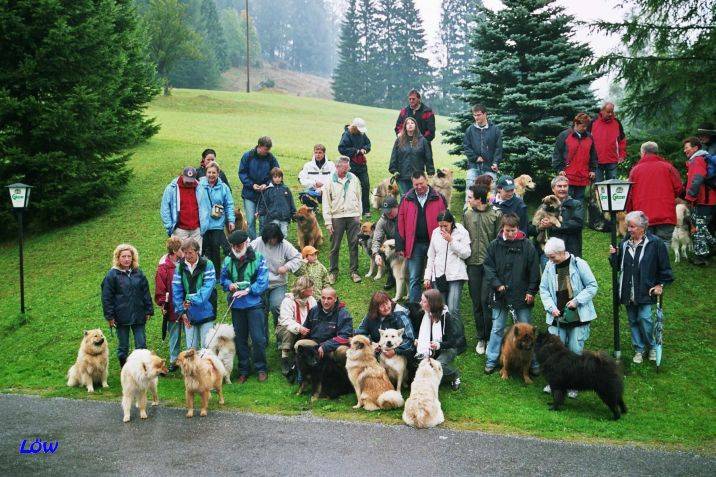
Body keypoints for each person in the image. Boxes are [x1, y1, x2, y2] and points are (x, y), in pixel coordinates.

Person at [609, 211, 673, 364]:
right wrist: (613, 256)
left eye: (632, 227)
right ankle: (639, 349)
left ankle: (651, 346)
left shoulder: (655, 243)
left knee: (645, 318)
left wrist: (660, 284)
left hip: (645, 289)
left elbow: (665, 268)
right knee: (632, 320)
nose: (629, 230)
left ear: (643, 227)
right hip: (627, 289)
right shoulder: (624, 243)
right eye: (628, 226)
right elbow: (617, 267)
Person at [539, 237, 598, 398]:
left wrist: (577, 301)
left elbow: (593, 286)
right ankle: (554, 383)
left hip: (578, 318)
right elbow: (543, 289)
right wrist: (551, 308)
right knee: (554, 353)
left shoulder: (580, 264)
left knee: (574, 352)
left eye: (552, 257)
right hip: (557, 318)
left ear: (561, 252)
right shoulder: (550, 266)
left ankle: (574, 385)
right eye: (549, 257)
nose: (550, 260)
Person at [483, 213, 540, 375]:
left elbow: (534, 271)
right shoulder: (494, 245)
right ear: (503, 228)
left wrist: (531, 291)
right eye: (507, 230)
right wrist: (497, 285)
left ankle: (533, 363)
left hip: (522, 296)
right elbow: (488, 267)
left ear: (518, 228)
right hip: (500, 296)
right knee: (497, 328)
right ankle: (492, 360)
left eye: (513, 230)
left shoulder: (528, 246)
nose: (510, 233)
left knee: (528, 332)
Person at [221, 230, 270, 383]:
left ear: (246, 243)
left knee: (258, 338)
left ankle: (261, 368)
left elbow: (263, 281)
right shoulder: (228, 261)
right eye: (234, 246)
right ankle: (243, 370)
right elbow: (223, 279)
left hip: (254, 304)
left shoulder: (259, 258)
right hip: (236, 305)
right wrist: (230, 286)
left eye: (239, 245)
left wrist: (248, 290)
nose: (236, 248)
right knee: (240, 339)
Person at [423, 210, 469, 354]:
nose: (442, 229)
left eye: (445, 226)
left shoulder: (461, 232)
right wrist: (427, 276)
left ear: (452, 223)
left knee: (453, 309)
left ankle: (460, 341)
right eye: (440, 226)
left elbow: (467, 253)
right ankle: (445, 340)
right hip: (439, 275)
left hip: (456, 274)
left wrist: (451, 241)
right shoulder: (436, 233)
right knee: (442, 309)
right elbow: (431, 255)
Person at [397, 171, 447, 302]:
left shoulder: (439, 197)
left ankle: (436, 305)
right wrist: (400, 244)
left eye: (421, 183)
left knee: (435, 276)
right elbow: (400, 222)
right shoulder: (406, 198)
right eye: (415, 184)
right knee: (414, 277)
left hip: (434, 243)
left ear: (427, 181)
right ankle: (414, 308)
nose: (419, 187)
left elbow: (445, 220)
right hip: (415, 244)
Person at [464, 184, 502, 355]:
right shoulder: (467, 214)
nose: (468, 200)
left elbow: (499, 242)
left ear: (479, 199)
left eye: (470, 197)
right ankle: (481, 337)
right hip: (472, 264)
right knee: (476, 303)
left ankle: (490, 337)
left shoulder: (496, 214)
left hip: (489, 266)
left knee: (487, 302)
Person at [101, 244, 153, 368]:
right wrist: (110, 317)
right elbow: (106, 297)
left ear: (133, 258)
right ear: (118, 258)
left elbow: (145, 292)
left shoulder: (138, 273)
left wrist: (148, 310)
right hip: (121, 317)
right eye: (123, 256)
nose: (126, 259)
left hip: (139, 315)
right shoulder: (112, 275)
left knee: (141, 345)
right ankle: (125, 371)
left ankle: (142, 369)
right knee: (123, 347)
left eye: (129, 256)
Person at [250, 223, 303, 340]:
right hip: (260, 284)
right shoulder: (257, 243)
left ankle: (281, 338)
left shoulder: (284, 245)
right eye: (269, 239)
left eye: (274, 238)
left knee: (278, 307)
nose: (272, 241)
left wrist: (287, 267)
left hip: (278, 283)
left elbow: (298, 258)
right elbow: (247, 254)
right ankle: (263, 339)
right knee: (261, 311)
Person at [626, 142, 683, 246]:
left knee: (645, 245)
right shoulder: (668, 167)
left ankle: (648, 262)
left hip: (643, 216)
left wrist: (630, 214)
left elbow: (629, 195)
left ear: (643, 153)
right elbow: (679, 188)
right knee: (664, 243)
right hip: (666, 213)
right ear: (656, 152)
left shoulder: (635, 170)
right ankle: (661, 262)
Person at [322, 156, 362, 284]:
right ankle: (333, 272)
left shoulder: (354, 178)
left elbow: (359, 197)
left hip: (353, 216)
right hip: (336, 217)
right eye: (344, 169)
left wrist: (359, 216)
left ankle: (354, 271)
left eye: (348, 169)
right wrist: (328, 222)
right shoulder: (329, 182)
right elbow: (326, 203)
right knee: (334, 246)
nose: (346, 172)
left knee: (353, 244)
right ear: (337, 167)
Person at [172, 239, 216, 351]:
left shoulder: (208, 264)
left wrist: (189, 299)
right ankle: (193, 369)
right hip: (188, 313)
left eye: (190, 252)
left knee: (207, 348)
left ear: (197, 251)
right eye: (185, 253)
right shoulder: (179, 267)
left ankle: (207, 369)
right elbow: (176, 290)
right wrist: (181, 311)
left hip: (206, 311)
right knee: (191, 349)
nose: (187, 256)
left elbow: (207, 289)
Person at [414, 289, 461, 390]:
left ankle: (454, 374)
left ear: (432, 303)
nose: (420, 303)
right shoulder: (422, 314)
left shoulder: (446, 317)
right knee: (418, 366)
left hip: (447, 348)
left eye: (424, 301)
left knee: (437, 366)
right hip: (428, 349)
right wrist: (417, 339)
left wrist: (439, 345)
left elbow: (453, 342)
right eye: (421, 300)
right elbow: (417, 332)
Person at [294, 287, 352, 364]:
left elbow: (345, 337)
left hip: (334, 348)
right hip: (315, 345)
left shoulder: (343, 314)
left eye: (329, 299)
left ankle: (343, 372)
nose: (325, 301)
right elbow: (306, 330)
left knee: (344, 352)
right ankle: (303, 372)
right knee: (299, 345)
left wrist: (325, 346)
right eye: (323, 298)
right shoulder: (314, 310)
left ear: (335, 299)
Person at [533, 175, 585, 259]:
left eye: (565, 186)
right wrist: (541, 226)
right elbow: (533, 226)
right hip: (548, 252)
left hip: (569, 250)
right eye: (559, 186)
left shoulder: (576, 204)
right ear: (553, 189)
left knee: (565, 272)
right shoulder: (544, 206)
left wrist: (552, 226)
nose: (562, 189)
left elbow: (578, 224)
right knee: (549, 272)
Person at [276, 276, 317, 380]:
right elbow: (286, 320)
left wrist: (308, 327)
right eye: (310, 287)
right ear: (302, 289)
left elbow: (315, 316)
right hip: (286, 327)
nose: (313, 289)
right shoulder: (288, 301)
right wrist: (299, 328)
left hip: (305, 327)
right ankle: (284, 357)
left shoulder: (311, 300)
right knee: (288, 332)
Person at [239, 136, 280, 240]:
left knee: (263, 220)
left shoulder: (271, 158)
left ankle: (262, 241)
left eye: (268, 150)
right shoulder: (247, 156)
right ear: (259, 146)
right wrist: (252, 185)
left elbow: (276, 174)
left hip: (264, 194)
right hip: (249, 193)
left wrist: (266, 184)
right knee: (251, 219)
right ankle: (253, 242)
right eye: (266, 149)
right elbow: (242, 173)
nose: (267, 152)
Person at [199, 161, 235, 276]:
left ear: (218, 173)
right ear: (206, 173)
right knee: (202, 248)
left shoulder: (224, 187)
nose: (211, 175)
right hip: (203, 223)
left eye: (214, 172)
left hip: (217, 223)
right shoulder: (199, 185)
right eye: (209, 172)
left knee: (215, 248)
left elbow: (229, 204)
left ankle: (217, 274)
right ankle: (200, 272)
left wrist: (231, 220)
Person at [683, 137, 716, 265]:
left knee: (699, 228)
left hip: (703, 200)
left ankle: (701, 258)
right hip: (710, 199)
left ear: (695, 148)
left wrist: (690, 196)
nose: (684, 150)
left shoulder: (697, 160)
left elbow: (697, 178)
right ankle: (709, 250)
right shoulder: (704, 158)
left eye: (687, 147)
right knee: (705, 227)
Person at [354, 291, 416, 358]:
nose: (386, 307)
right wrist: (371, 343)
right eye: (382, 306)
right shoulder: (370, 316)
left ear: (390, 301)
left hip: (398, 356)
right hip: (377, 353)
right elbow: (360, 333)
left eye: (387, 303)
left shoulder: (400, 316)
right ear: (375, 308)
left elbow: (410, 340)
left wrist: (395, 351)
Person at [154, 238, 184, 372]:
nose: (184, 252)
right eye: (181, 249)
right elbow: (160, 287)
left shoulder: (185, 262)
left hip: (186, 303)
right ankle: (173, 360)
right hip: (172, 305)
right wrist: (162, 304)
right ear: (174, 251)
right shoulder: (163, 267)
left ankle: (187, 360)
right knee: (174, 333)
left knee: (188, 332)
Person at [552, 112, 597, 201]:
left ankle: (578, 216)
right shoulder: (564, 135)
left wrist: (592, 170)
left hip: (583, 176)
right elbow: (557, 154)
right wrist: (560, 169)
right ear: (576, 123)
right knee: (566, 201)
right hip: (567, 175)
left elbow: (593, 156)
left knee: (579, 203)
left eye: (586, 126)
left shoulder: (590, 137)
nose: (585, 128)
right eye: (583, 126)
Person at [160, 166, 207, 250]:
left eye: (191, 180)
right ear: (182, 175)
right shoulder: (171, 188)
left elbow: (205, 207)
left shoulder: (199, 188)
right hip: (180, 230)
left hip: (196, 230)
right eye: (187, 180)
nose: (189, 183)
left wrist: (203, 226)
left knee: (196, 255)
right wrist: (170, 226)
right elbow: (165, 208)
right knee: (180, 256)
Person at [462, 104, 503, 191]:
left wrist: (495, 163)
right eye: (474, 115)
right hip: (473, 166)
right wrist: (476, 158)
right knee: (470, 191)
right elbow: (466, 146)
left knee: (491, 194)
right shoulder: (470, 130)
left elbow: (498, 149)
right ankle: (468, 205)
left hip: (489, 167)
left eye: (479, 115)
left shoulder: (495, 130)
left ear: (485, 114)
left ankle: (492, 205)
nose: (476, 117)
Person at [389, 116, 434, 195]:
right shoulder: (399, 140)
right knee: (405, 198)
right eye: (407, 123)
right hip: (402, 175)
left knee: (417, 198)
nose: (410, 125)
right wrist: (393, 170)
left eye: (412, 123)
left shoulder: (423, 141)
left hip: (417, 176)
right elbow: (394, 156)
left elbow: (428, 157)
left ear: (415, 126)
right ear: (405, 127)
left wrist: (430, 171)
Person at [338, 118, 372, 217]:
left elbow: (368, 143)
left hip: (361, 165)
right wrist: (356, 151)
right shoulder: (346, 135)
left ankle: (366, 210)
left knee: (365, 185)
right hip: (350, 165)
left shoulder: (362, 134)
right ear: (354, 127)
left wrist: (365, 149)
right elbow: (341, 148)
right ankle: (348, 207)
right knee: (349, 186)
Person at [590, 102, 627, 181]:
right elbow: (587, 141)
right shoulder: (593, 122)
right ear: (602, 111)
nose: (610, 114)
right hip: (596, 161)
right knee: (598, 186)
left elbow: (622, 140)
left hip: (612, 160)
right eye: (608, 112)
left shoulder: (617, 123)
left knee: (612, 185)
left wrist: (622, 155)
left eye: (612, 112)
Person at [257, 167, 296, 237]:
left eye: (279, 177)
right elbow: (264, 203)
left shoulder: (286, 189)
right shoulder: (268, 190)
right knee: (274, 234)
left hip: (284, 217)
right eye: (275, 177)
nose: (277, 179)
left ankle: (282, 247)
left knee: (283, 234)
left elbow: (291, 202)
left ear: (282, 178)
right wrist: (260, 212)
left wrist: (294, 213)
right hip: (273, 217)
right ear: (272, 178)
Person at [371, 196, 399, 290]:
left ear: (397, 207)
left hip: (407, 242)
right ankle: (392, 275)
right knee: (385, 251)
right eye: (386, 211)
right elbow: (376, 239)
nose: (388, 214)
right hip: (392, 243)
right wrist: (376, 254)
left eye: (390, 211)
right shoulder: (383, 220)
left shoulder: (405, 215)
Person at [298, 144, 336, 209]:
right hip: (312, 190)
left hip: (327, 190)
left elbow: (334, 178)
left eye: (320, 153)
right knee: (304, 197)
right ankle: (313, 208)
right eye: (316, 153)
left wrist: (323, 187)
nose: (318, 155)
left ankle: (330, 209)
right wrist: (314, 183)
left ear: (324, 153)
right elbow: (301, 179)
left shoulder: (331, 165)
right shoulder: (308, 165)